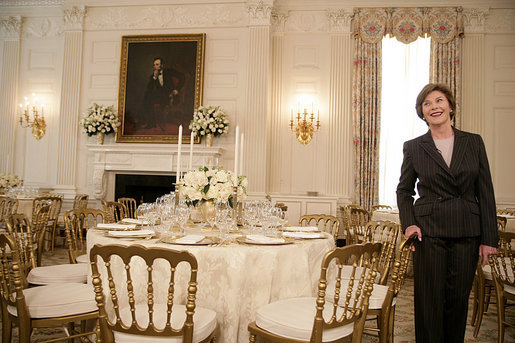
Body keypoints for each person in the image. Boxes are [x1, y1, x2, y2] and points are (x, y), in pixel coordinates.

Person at [396, 83, 498, 343]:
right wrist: (409, 224)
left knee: (457, 299)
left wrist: (489, 239)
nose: (434, 107)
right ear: (422, 112)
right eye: (427, 104)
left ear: (450, 107)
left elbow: (485, 192)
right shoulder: (414, 147)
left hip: (467, 231)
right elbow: (404, 191)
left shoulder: (473, 142)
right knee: (428, 300)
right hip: (428, 233)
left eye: (439, 101)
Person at [141, 57, 185, 131]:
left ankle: (148, 122)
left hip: (171, 96)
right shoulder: (153, 76)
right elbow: (149, 88)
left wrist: (177, 89)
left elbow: (182, 77)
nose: (155, 66)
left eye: (157, 64)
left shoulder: (169, 71)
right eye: (154, 65)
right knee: (147, 97)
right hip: (161, 97)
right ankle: (151, 123)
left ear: (162, 65)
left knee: (148, 97)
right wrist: (154, 77)